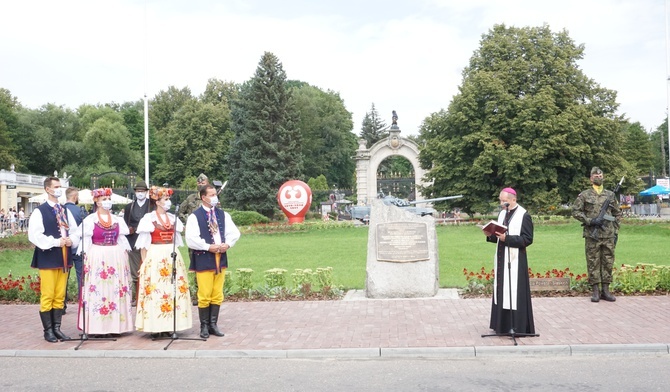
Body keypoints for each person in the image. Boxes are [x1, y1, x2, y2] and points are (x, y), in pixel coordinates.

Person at [135, 186, 192, 337]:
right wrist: (144, 263)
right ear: (158, 202)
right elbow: (144, 245)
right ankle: (155, 326)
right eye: (166, 199)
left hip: (171, 255)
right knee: (156, 290)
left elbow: (177, 239)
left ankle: (170, 325)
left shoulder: (173, 219)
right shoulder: (149, 219)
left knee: (171, 290)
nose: (169, 202)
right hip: (155, 254)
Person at [28, 177, 80, 343]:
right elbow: (35, 235)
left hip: (63, 256)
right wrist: (56, 242)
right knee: (48, 294)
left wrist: (71, 240)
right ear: (48, 189)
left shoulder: (64, 209)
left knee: (59, 295)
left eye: (60, 186)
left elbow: (74, 230)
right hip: (48, 256)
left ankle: (57, 328)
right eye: (56, 186)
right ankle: (48, 330)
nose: (59, 189)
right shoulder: (40, 211)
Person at [76, 188, 134, 336]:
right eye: (104, 199)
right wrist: (86, 257)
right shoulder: (90, 220)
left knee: (115, 288)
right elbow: (85, 241)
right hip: (98, 255)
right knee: (99, 288)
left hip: (115, 255)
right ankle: (97, 326)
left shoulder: (117, 220)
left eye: (109, 198)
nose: (107, 202)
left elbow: (122, 239)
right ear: (97, 201)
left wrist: (124, 256)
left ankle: (116, 326)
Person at [185, 184, 240, 339]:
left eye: (215, 194)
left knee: (217, 293)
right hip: (204, 258)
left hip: (220, 257)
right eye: (212, 195)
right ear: (204, 197)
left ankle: (213, 324)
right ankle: (203, 325)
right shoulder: (195, 216)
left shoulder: (223, 215)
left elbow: (233, 232)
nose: (215, 197)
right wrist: (208, 246)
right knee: (204, 293)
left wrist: (227, 244)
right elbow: (191, 239)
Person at [484, 187, 535, 335]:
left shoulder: (524, 215)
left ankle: (517, 326)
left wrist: (508, 239)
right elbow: (497, 236)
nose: (502, 204)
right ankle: (502, 326)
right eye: (500, 200)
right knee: (501, 291)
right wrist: (489, 234)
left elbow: (527, 239)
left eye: (504, 201)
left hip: (516, 260)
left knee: (514, 292)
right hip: (501, 259)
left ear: (513, 199)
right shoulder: (502, 214)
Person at [572, 167, 622, 302]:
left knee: (608, 261)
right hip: (592, 234)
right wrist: (590, 220)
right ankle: (595, 291)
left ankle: (606, 290)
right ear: (591, 178)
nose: (598, 177)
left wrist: (615, 229)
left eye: (600, 175)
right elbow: (576, 211)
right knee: (593, 262)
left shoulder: (610, 195)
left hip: (608, 235)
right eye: (595, 175)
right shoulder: (584, 195)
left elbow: (617, 213)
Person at [179, 173, 209, 305]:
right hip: (194, 238)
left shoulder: (211, 199)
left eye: (204, 183)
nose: (201, 185)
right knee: (196, 265)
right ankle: (198, 294)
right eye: (199, 183)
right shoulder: (191, 198)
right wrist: (188, 221)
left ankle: (208, 292)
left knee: (209, 265)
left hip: (208, 237)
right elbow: (180, 212)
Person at [123, 180, 151, 306]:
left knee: (149, 267)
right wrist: (129, 229)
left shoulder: (153, 205)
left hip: (148, 241)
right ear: (135, 192)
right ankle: (137, 296)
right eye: (138, 191)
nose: (140, 193)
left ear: (146, 192)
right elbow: (125, 223)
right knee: (135, 270)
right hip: (133, 240)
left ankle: (149, 294)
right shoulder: (129, 207)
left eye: (142, 191)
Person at [63, 187, 85, 313]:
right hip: (78, 248)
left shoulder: (61, 210)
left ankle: (62, 304)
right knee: (81, 276)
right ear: (75, 197)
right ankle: (82, 302)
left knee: (63, 277)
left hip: (65, 247)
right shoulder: (80, 211)